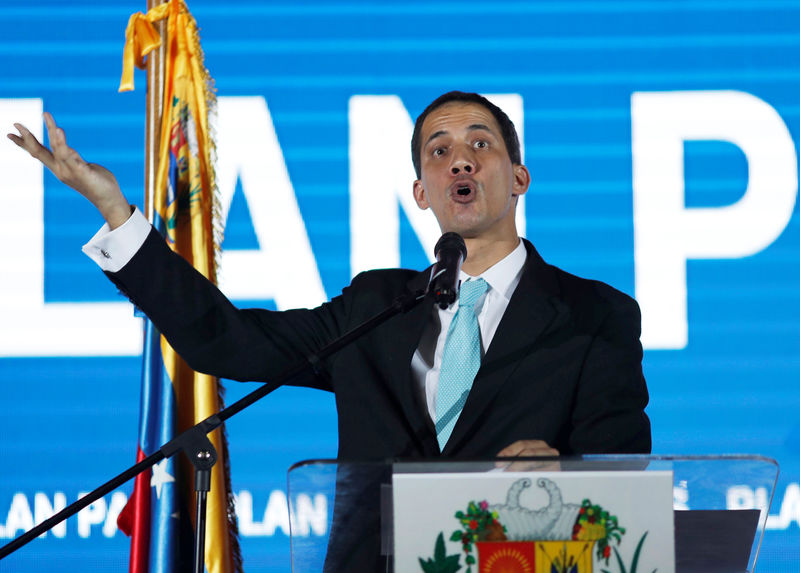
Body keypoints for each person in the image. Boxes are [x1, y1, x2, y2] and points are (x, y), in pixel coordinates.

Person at [9, 91, 650, 568]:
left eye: (481, 144)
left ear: (518, 179)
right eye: (440, 151)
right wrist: (116, 214)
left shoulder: (595, 316)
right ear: (421, 192)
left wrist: (564, 471)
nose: (461, 162)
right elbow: (222, 339)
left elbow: (623, 483)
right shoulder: (377, 304)